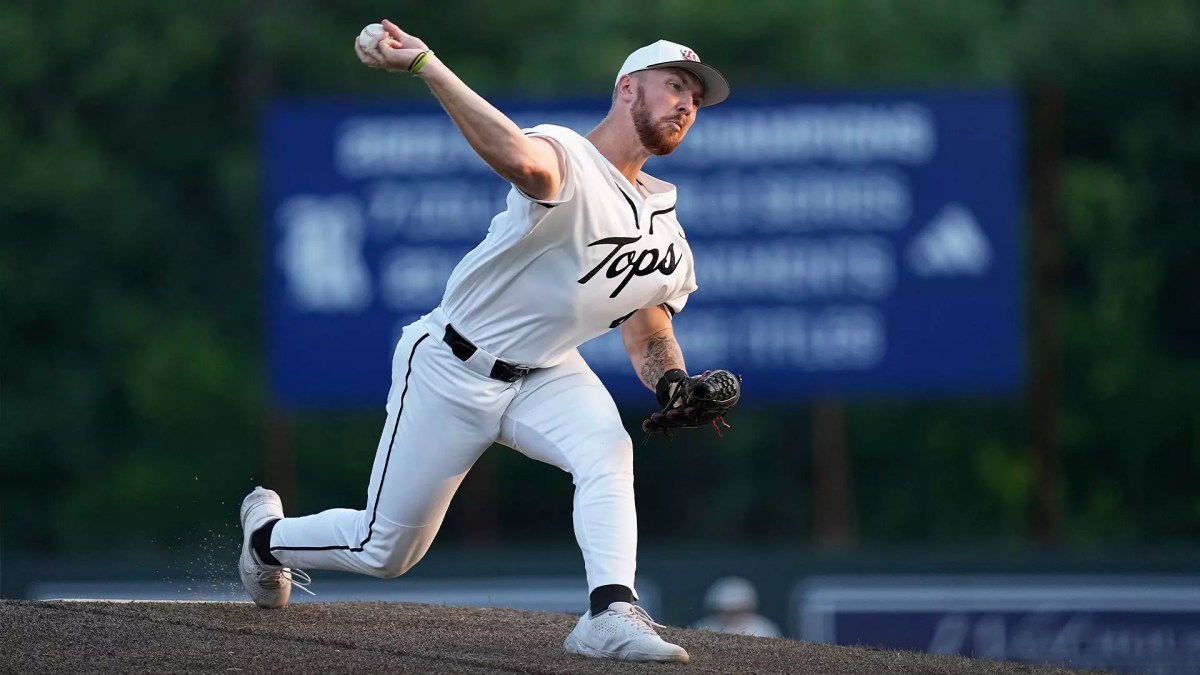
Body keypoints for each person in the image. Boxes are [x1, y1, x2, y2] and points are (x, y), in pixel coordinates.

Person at [238, 19, 732, 664]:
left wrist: (673, 382)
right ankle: (265, 540)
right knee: (385, 551)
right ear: (628, 89)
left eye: (696, 96)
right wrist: (427, 65)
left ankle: (611, 611)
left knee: (608, 451)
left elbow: (648, 327)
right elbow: (519, 158)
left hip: (548, 371)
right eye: (674, 85)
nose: (687, 103)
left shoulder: (666, 226)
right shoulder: (569, 156)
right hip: (452, 363)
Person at [693, 576, 782, 638]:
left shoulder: (764, 629)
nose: (731, 617)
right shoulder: (702, 628)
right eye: (725, 612)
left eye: (737, 611)